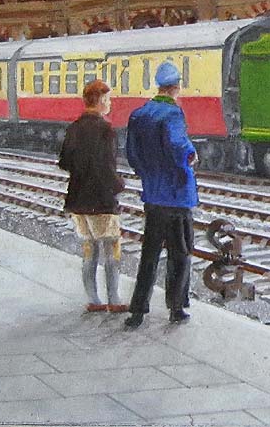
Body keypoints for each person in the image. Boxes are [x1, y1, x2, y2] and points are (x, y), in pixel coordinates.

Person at [123, 61, 199, 328]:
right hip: (177, 196)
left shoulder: (139, 114)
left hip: (153, 196)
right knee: (180, 253)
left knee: (149, 253)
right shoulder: (172, 114)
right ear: (175, 87)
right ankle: (176, 307)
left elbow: (132, 154)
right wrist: (191, 157)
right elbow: (180, 147)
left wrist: (147, 174)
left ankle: (137, 311)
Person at [58, 79, 128, 313]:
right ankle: (114, 299)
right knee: (111, 249)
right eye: (107, 100)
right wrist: (119, 185)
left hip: (77, 200)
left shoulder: (74, 127)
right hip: (102, 201)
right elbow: (107, 168)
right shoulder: (105, 130)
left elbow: (64, 162)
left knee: (89, 250)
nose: (109, 104)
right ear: (99, 101)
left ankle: (93, 300)